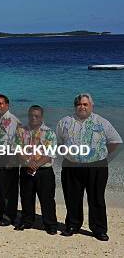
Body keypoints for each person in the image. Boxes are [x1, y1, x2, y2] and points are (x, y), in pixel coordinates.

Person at [57, 93, 122, 241]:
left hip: (97, 166)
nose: (82, 107)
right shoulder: (65, 122)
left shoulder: (102, 122)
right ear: (75, 106)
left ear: (91, 106)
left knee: (97, 198)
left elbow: (115, 142)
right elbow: (59, 142)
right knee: (72, 197)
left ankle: (99, 229)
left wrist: (103, 157)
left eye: (85, 104)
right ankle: (73, 225)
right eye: (79, 104)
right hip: (71, 166)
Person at [14, 105, 58, 234]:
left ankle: (50, 224)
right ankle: (27, 221)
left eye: (36, 116)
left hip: (44, 170)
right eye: (31, 115)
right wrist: (28, 162)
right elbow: (17, 149)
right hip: (26, 168)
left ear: (41, 117)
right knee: (26, 197)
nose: (33, 118)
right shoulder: (21, 131)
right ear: (28, 116)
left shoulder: (49, 132)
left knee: (47, 199)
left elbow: (50, 154)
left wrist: (36, 164)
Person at [0, 94, 21, 226]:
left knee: (9, 188)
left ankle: (9, 215)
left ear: (7, 105)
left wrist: (12, 159)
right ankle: (1, 211)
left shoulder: (13, 120)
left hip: (8, 157)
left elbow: (17, 142)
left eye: (1, 103)